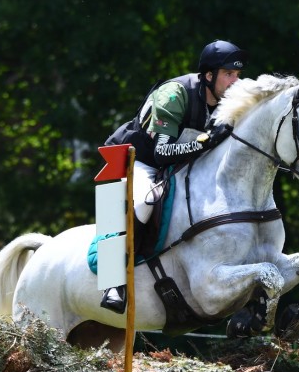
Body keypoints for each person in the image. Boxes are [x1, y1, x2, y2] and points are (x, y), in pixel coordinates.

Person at [100, 39, 249, 312]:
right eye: (229, 74)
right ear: (208, 75)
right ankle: (113, 281)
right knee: (145, 201)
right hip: (139, 160)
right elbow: (162, 153)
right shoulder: (174, 94)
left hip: (181, 164)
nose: (235, 82)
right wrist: (204, 142)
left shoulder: (228, 102)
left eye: (237, 75)